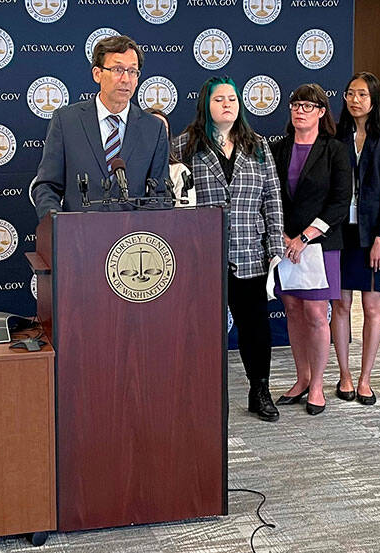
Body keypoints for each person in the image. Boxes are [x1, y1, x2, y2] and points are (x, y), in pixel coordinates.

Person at [173, 77, 285, 422]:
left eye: (233, 99)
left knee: (255, 327)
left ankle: (260, 391)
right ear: (206, 104)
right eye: (219, 99)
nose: (227, 105)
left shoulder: (258, 146)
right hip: (200, 257)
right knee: (198, 329)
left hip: (249, 251)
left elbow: (272, 196)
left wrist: (275, 244)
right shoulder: (184, 145)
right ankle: (198, 395)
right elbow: (173, 200)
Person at [271, 84, 352, 416]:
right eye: (295, 104)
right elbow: (270, 196)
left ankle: (318, 384)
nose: (299, 110)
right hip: (285, 244)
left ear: (321, 112)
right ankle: (301, 378)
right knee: (293, 311)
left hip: (319, 246)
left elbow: (339, 202)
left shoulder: (335, 150)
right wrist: (285, 235)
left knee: (317, 316)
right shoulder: (278, 148)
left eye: (307, 105)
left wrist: (304, 237)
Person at [31, 35, 168, 216]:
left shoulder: (154, 128)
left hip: (133, 240)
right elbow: (47, 186)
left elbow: (160, 194)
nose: (126, 79)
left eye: (133, 71)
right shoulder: (66, 121)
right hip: (78, 237)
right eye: (118, 69)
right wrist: (57, 225)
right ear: (97, 74)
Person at [330, 72, 380, 406]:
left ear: (374, 98)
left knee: (371, 306)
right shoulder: (336, 135)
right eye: (349, 93)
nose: (354, 100)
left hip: (371, 234)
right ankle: (344, 375)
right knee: (340, 305)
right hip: (339, 232)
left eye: (361, 94)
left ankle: (365, 379)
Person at [146, 106, 195, 205]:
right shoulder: (127, 170)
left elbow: (186, 214)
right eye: (152, 128)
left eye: (163, 129)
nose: (158, 133)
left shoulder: (179, 171)